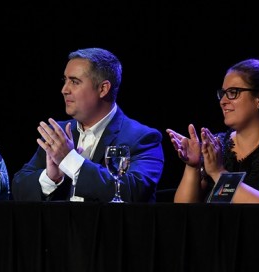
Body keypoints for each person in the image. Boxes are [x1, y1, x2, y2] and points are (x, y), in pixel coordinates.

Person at [12, 47, 164, 202]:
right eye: (65, 80)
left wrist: (70, 160)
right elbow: (18, 189)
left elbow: (134, 192)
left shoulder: (143, 138)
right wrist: (50, 178)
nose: (64, 90)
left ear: (103, 89)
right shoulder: (59, 134)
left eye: (74, 82)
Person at [166, 58, 259, 204]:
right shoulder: (218, 146)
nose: (223, 101)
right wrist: (193, 165)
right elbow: (183, 210)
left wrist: (219, 173)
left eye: (233, 92)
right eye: (223, 93)